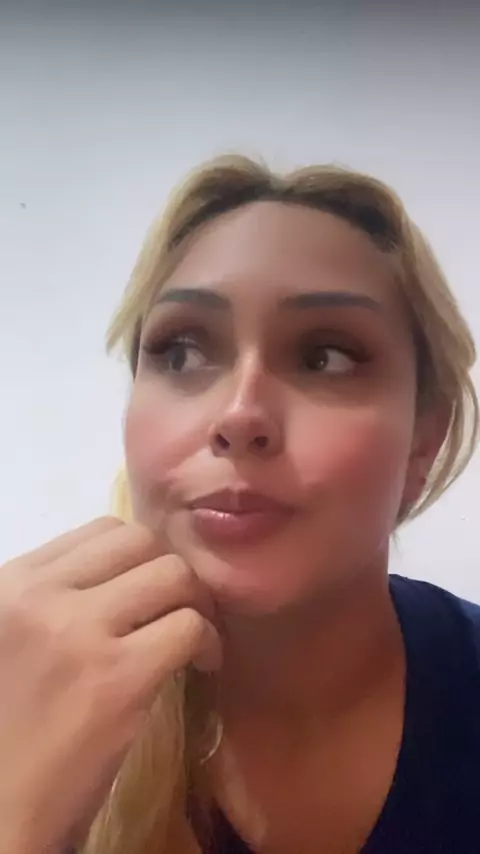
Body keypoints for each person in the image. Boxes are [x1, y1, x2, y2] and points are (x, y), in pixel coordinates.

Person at [1, 154, 479, 854]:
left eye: (326, 356)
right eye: (182, 352)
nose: (239, 414)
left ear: (422, 442)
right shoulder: (20, 703)